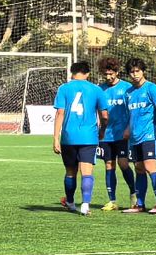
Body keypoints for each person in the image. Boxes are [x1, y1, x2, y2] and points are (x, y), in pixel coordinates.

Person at [51, 59, 103, 214]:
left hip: (68, 137)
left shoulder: (64, 88)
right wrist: (103, 129)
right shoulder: (96, 89)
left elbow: (60, 113)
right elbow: (104, 115)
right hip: (89, 137)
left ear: (72, 73)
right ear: (88, 73)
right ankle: (85, 205)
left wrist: (56, 138)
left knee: (70, 172)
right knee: (87, 172)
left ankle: (71, 202)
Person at [119, 60, 156, 213]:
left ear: (143, 71)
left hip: (149, 135)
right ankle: (140, 204)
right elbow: (130, 115)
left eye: (137, 71)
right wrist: (128, 129)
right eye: (132, 72)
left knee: (150, 167)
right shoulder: (129, 93)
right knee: (138, 168)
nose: (135, 74)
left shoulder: (152, 89)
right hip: (134, 137)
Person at [94, 59, 129, 210]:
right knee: (109, 164)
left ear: (117, 72)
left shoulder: (127, 88)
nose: (108, 77)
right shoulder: (100, 89)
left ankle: (134, 195)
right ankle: (112, 200)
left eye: (111, 74)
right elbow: (97, 111)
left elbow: (131, 111)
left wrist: (129, 128)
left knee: (123, 164)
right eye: (105, 74)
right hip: (105, 135)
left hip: (122, 135)